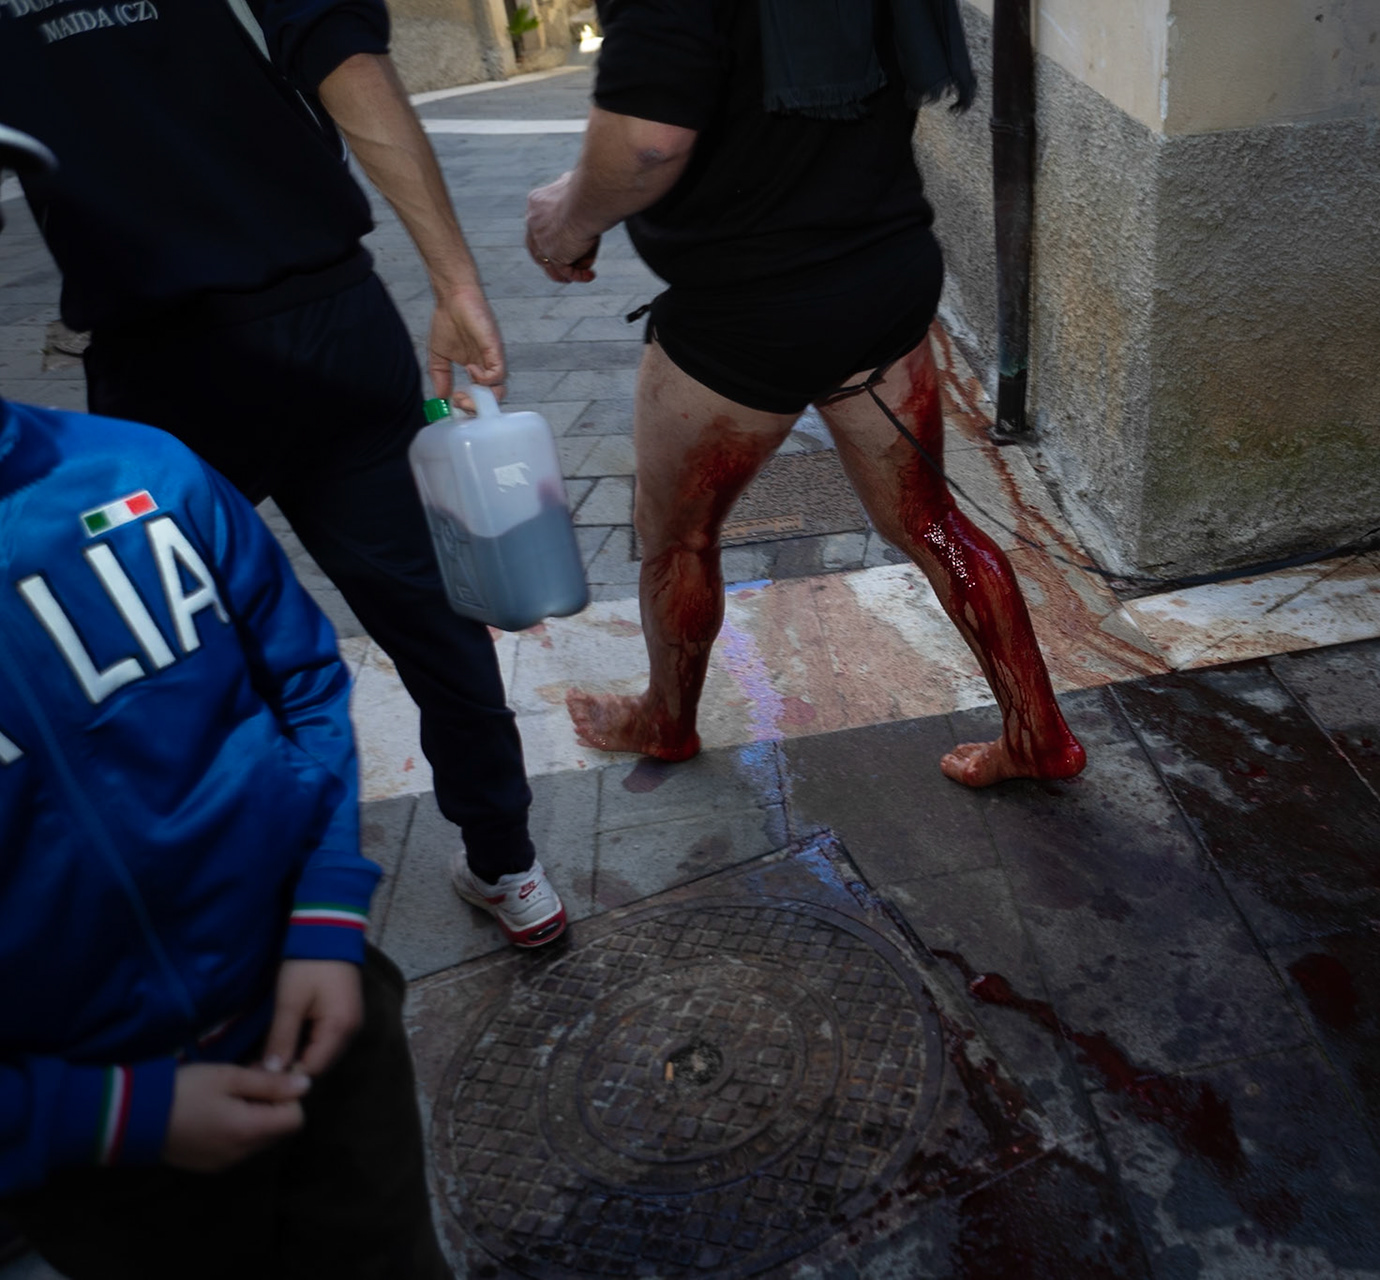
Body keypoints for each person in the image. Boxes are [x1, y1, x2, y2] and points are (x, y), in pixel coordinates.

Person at [0, 0, 566, 944]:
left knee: (184, 656)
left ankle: (254, 910)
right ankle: (508, 862)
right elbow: (340, 50)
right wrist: (455, 279)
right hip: (327, 316)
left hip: (157, 362)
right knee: (429, 612)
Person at [0, 124, 451, 1278]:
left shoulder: (140, 471)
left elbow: (300, 677)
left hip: (322, 1015)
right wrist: (101, 1115)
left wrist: (327, 911)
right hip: (99, 1144)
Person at [523, 0, 1086, 787]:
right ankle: (1039, 735)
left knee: (677, 538)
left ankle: (666, 721)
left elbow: (648, 141)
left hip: (746, 315)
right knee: (931, 522)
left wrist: (570, 218)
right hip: (884, 277)